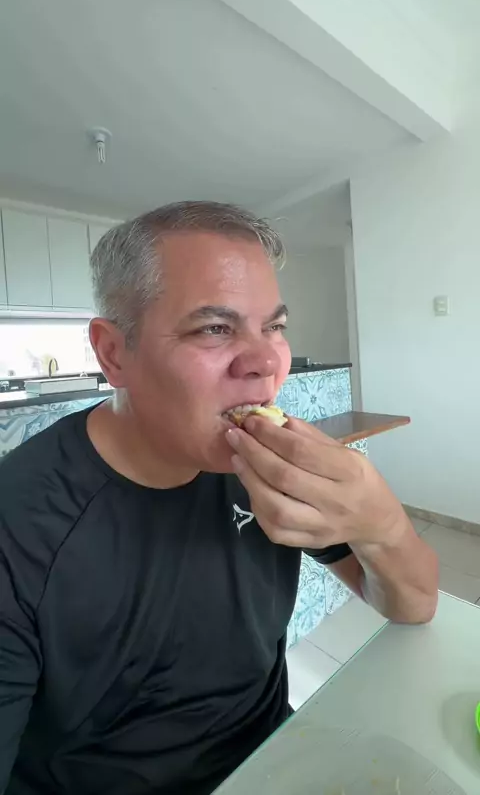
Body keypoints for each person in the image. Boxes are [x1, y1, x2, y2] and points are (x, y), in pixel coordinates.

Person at [0, 201, 438, 795]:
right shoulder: (20, 527)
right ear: (113, 353)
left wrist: (382, 523)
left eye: (274, 327)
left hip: (276, 759)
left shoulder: (270, 466)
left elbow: (414, 604)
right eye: (214, 328)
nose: (266, 363)